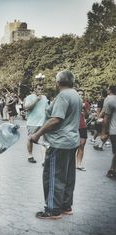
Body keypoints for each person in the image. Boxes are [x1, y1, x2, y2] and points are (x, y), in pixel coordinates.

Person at [30, 70, 82, 219]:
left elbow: (55, 119)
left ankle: (52, 209)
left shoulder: (63, 96)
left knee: (53, 176)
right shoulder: (76, 95)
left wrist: (37, 134)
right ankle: (66, 205)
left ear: (58, 82)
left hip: (59, 142)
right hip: (71, 141)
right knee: (67, 175)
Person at [24, 84, 49, 164]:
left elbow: (47, 109)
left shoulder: (44, 98)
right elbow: (26, 107)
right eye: (39, 89)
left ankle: (44, 160)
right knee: (31, 139)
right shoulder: (30, 97)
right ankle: (30, 155)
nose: (40, 91)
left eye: (42, 89)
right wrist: (36, 100)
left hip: (43, 122)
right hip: (32, 122)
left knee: (45, 141)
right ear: (35, 89)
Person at [101, 85, 116, 179]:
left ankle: (112, 169)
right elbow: (106, 118)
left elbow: (105, 118)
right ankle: (112, 169)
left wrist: (104, 132)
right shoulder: (110, 100)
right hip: (114, 130)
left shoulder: (109, 100)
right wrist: (104, 132)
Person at [76, 89, 90, 171]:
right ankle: (72, 164)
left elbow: (87, 116)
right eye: (79, 94)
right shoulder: (73, 102)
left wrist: (84, 108)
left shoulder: (86, 104)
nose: (80, 96)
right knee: (73, 146)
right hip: (74, 126)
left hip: (82, 126)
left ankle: (79, 164)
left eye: (82, 94)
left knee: (82, 145)